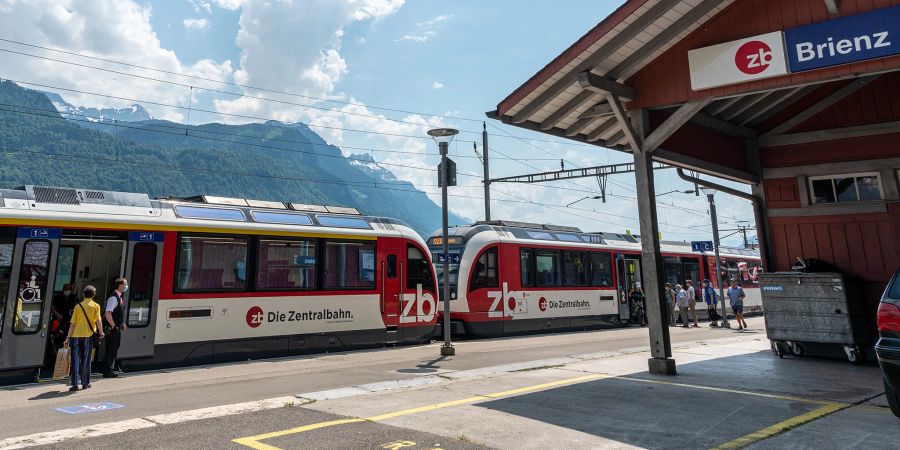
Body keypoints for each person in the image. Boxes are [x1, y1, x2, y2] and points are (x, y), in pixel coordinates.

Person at [64, 285, 104, 391]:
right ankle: (85, 383)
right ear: (94, 295)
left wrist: (67, 338)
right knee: (86, 360)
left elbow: (72, 324)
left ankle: (74, 385)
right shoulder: (96, 306)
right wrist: (101, 332)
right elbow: (98, 321)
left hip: (75, 336)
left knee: (75, 360)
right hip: (88, 336)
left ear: (83, 294)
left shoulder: (78, 307)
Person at [100, 278, 128, 378]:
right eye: (125, 284)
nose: (126, 286)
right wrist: (113, 325)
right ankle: (107, 371)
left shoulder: (119, 297)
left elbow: (118, 312)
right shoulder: (113, 297)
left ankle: (105, 367)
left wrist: (122, 323)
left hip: (116, 327)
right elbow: (108, 313)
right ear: (120, 286)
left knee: (115, 347)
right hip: (113, 328)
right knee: (111, 348)